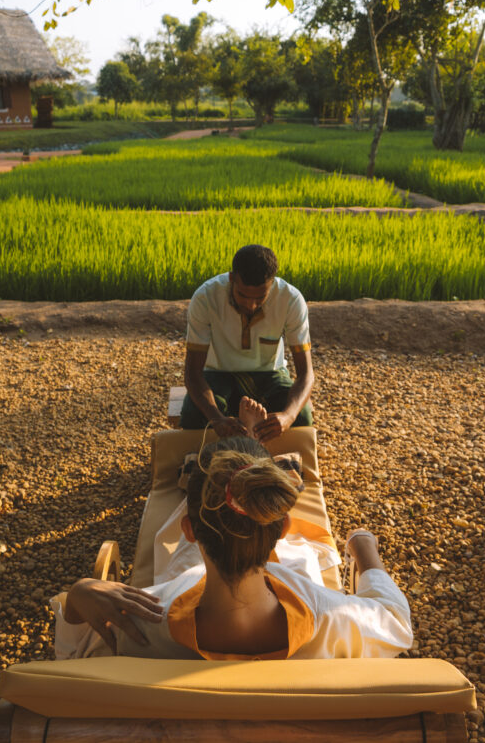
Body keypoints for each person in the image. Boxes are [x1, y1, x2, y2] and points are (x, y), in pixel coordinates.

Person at [53, 433, 413, 660]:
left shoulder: (139, 627)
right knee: (293, 557)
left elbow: (72, 655)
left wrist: (79, 595)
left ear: (189, 530)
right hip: (281, 570)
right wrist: (364, 548)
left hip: (192, 575)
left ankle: (212, 472)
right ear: (283, 525)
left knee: (192, 556)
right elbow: (396, 621)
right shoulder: (333, 619)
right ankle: (242, 455)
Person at [180, 244, 313, 442]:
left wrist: (288, 416)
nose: (250, 305)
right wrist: (216, 419)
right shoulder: (205, 298)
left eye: (260, 298)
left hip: (269, 374)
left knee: (302, 417)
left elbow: (306, 374)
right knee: (193, 416)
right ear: (232, 278)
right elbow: (192, 374)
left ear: (272, 284)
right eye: (242, 295)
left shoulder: (291, 300)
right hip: (217, 373)